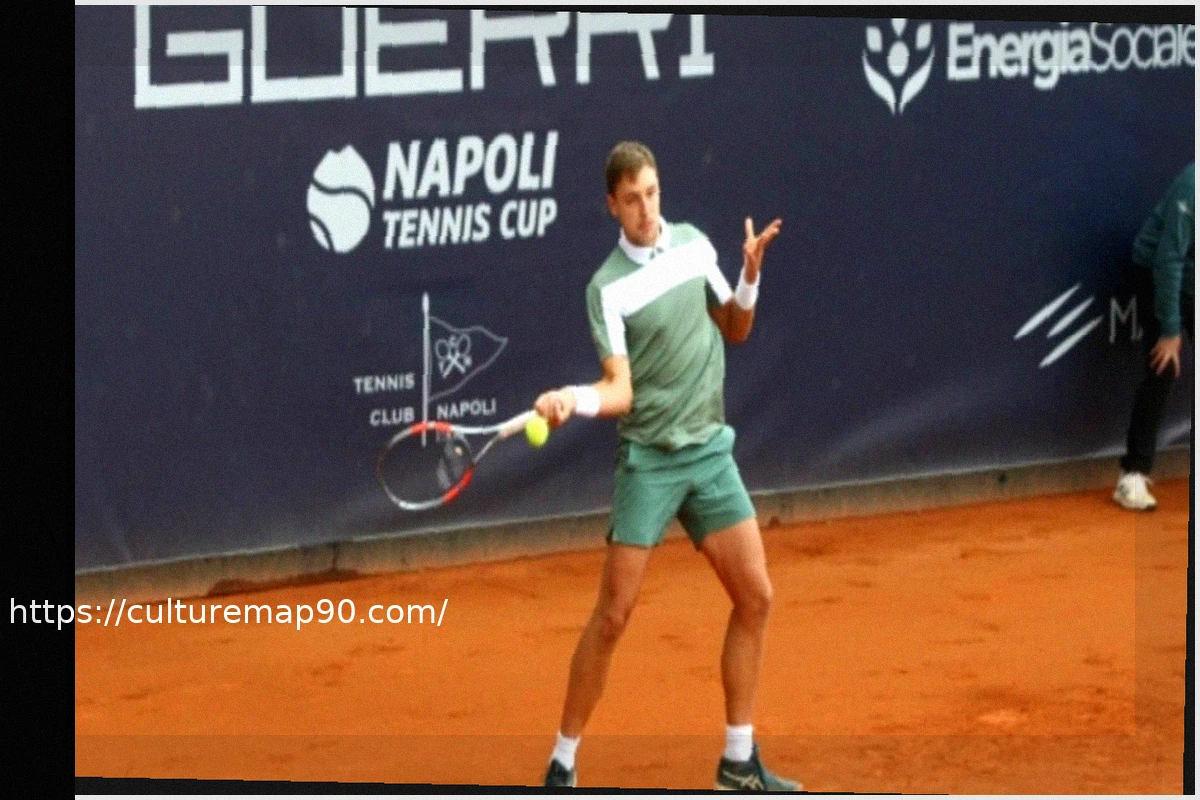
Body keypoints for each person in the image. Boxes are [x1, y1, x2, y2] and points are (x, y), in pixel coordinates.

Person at [533, 141, 797, 791]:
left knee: (756, 596)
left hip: (709, 451)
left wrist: (750, 275)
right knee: (614, 615)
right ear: (612, 207)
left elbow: (734, 329)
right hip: (649, 460)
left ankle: (739, 759)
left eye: (651, 193)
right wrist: (578, 397)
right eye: (632, 199)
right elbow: (619, 389)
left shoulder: (695, 246)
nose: (646, 209)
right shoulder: (606, 289)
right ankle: (563, 760)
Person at [1113, 162, 1194, 511]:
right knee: (1164, 367)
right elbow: (1168, 259)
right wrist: (1170, 329)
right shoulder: (1193, 186)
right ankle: (1132, 476)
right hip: (1159, 274)